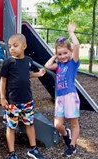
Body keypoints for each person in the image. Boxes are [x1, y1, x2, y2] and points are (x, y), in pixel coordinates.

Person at [0, 34, 46, 159]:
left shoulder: (28, 61)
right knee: (11, 127)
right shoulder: (8, 62)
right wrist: (2, 98)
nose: (12, 49)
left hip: (27, 101)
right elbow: (3, 80)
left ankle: (33, 149)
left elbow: (27, 74)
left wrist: (38, 74)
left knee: (30, 124)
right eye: (10, 46)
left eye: (15, 45)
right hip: (12, 102)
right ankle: (12, 153)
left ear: (24, 46)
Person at [44, 22, 80, 157]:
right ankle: (66, 134)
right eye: (60, 54)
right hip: (60, 97)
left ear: (70, 52)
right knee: (58, 125)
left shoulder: (73, 63)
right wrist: (55, 55)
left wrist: (71, 33)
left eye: (65, 53)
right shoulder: (58, 64)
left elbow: (76, 45)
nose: (63, 56)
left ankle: (72, 145)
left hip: (70, 96)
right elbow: (47, 65)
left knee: (74, 123)